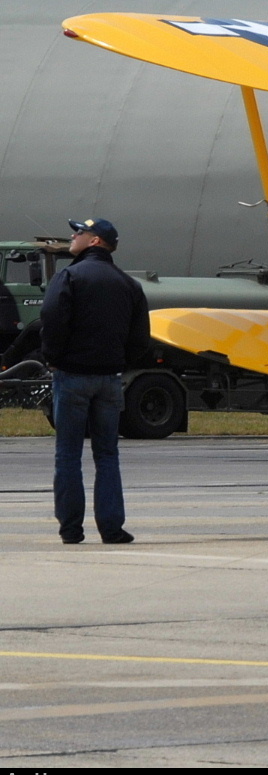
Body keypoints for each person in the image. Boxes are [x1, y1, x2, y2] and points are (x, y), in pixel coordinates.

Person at [40, 218, 149, 545]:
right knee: (107, 454)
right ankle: (112, 528)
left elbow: (52, 319)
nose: (73, 236)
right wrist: (119, 363)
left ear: (95, 241)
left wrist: (55, 359)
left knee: (68, 454)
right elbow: (140, 338)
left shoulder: (69, 276)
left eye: (79, 232)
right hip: (110, 380)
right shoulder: (128, 284)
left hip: (72, 377)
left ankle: (71, 529)